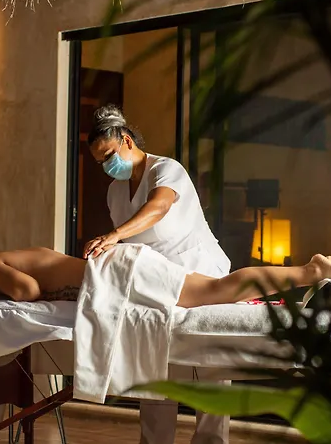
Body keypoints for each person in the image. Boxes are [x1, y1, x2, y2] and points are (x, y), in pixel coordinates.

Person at [83, 104, 232, 444]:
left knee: (209, 364)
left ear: (126, 140)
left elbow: (159, 207)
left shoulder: (166, 169)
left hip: (200, 274)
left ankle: (211, 440)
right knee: (154, 361)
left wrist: (114, 236)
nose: (106, 166)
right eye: (100, 162)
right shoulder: (115, 191)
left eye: (109, 156)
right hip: (157, 284)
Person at [0, 245, 331, 306]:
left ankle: (313, 270)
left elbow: (28, 291)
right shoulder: (10, 254)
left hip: (118, 275)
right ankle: (309, 271)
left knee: (218, 289)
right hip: (118, 271)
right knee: (217, 290)